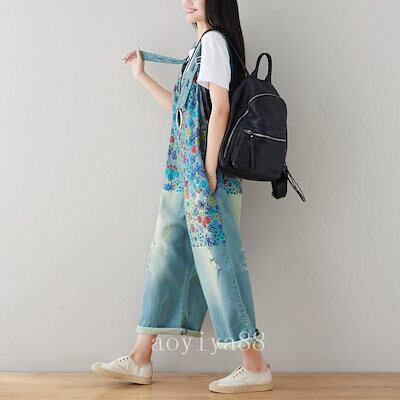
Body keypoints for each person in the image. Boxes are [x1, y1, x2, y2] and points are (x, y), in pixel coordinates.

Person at [91, 0, 273, 394]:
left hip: (204, 177)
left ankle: (255, 366)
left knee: (220, 265)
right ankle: (140, 357)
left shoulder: (215, 43)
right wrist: (141, 76)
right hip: (182, 176)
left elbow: (221, 108)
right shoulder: (198, 49)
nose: (187, 0)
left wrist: (208, 171)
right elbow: (181, 111)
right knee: (167, 257)